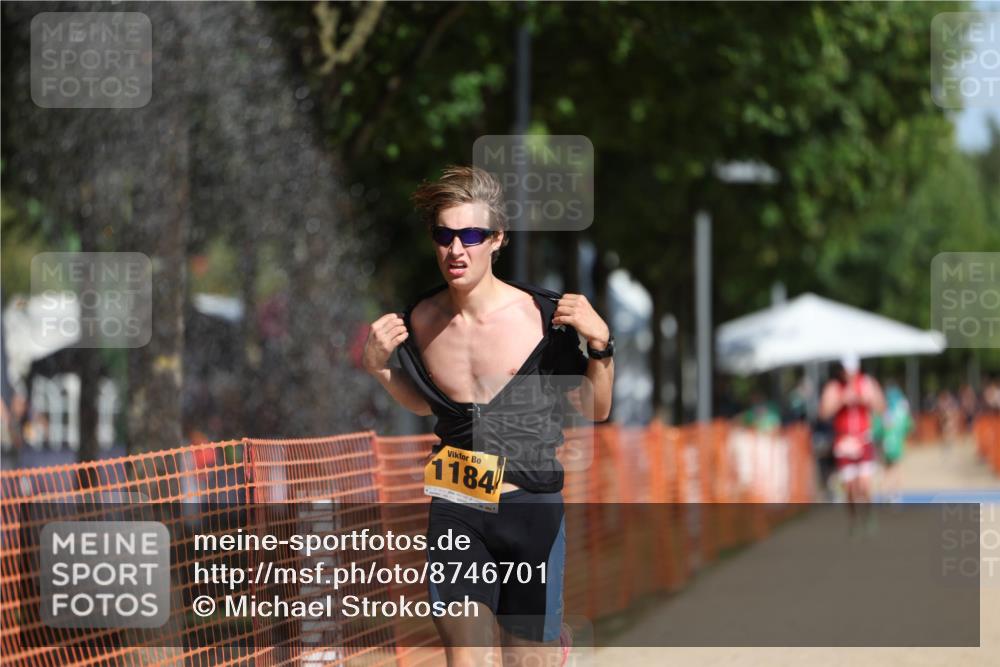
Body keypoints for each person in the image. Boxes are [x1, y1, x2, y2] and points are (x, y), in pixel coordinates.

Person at [362, 166, 614, 667]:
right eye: (445, 235)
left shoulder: (545, 316)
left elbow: (597, 408)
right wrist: (378, 369)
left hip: (531, 510)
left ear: (497, 239)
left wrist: (601, 345)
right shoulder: (419, 321)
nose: (457, 249)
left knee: (526, 661)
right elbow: (428, 402)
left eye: (472, 235)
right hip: (458, 507)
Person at [819, 354, 885, 526]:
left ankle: (869, 517)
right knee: (850, 487)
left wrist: (866, 400)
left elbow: (881, 407)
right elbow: (823, 413)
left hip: (864, 440)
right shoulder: (834, 387)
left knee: (864, 485)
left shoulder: (867, 383)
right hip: (844, 442)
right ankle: (854, 519)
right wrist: (841, 401)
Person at [873, 384, 912, 502]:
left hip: (885, 444)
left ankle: (884, 491)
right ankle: (895, 494)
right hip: (897, 445)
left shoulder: (883, 412)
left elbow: (876, 430)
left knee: (886, 469)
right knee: (896, 469)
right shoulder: (901, 412)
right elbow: (909, 426)